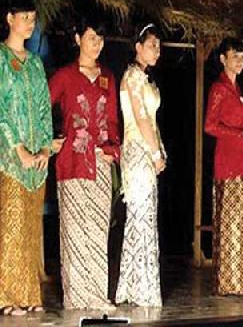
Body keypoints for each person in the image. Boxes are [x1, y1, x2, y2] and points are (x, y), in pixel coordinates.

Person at [49, 18, 120, 309]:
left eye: (101, 39)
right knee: (75, 230)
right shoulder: (65, 75)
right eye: (92, 38)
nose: (97, 45)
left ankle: (98, 295)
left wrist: (113, 148)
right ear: (78, 39)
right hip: (72, 162)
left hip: (100, 163)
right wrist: (50, 140)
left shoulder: (108, 77)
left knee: (99, 229)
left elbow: (113, 120)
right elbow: (42, 108)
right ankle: (77, 298)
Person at [0, 0, 52, 316]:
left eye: (33, 18)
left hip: (37, 162)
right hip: (10, 160)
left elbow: (44, 108)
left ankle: (30, 292)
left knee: (32, 227)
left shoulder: (35, 63)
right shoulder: (1, 58)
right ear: (10, 18)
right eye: (25, 17)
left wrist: (45, 147)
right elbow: (1, 110)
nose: (30, 24)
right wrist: (18, 149)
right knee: (12, 224)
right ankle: (6, 296)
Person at [205, 37, 243, 297]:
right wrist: (239, 134)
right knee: (231, 223)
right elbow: (210, 126)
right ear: (223, 59)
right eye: (235, 57)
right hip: (228, 163)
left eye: (242, 57)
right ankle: (231, 281)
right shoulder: (219, 88)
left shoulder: (238, 89)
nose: (239, 62)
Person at [115, 24, 165, 307]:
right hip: (137, 150)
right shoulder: (133, 76)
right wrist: (155, 153)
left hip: (147, 149)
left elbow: (152, 122)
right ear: (138, 47)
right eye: (151, 45)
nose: (156, 51)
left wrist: (160, 150)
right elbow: (141, 118)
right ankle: (139, 288)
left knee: (145, 217)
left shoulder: (144, 78)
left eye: (158, 46)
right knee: (140, 216)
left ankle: (138, 286)